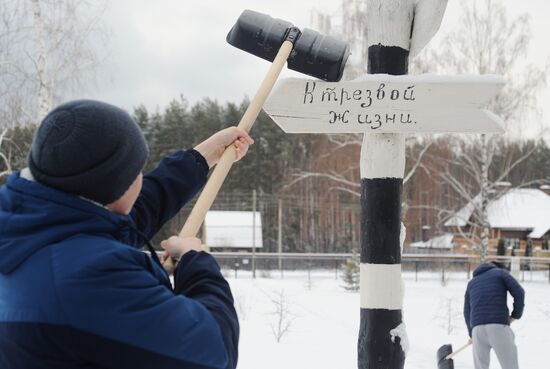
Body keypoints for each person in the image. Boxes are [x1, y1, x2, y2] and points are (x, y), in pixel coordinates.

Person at [0, 100, 253, 369]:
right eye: (136, 171)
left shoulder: (29, 233)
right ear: (114, 184)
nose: (140, 179)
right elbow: (213, 352)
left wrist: (202, 157)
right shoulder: (90, 277)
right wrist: (196, 262)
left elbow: (130, 212)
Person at [464, 261, 525, 369]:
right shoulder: (500, 273)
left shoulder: (471, 283)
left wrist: (471, 333)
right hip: (497, 327)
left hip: (477, 330)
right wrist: (515, 315)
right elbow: (519, 292)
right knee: (510, 366)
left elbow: (467, 311)